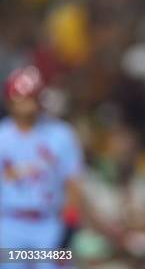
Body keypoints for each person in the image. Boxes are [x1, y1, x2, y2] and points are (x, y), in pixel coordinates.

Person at [0, 66, 122, 268]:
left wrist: (70, 224)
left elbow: (73, 182)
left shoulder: (60, 134)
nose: (26, 105)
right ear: (9, 101)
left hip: (49, 222)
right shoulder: (2, 136)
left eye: (32, 98)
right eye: (20, 99)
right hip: (10, 222)